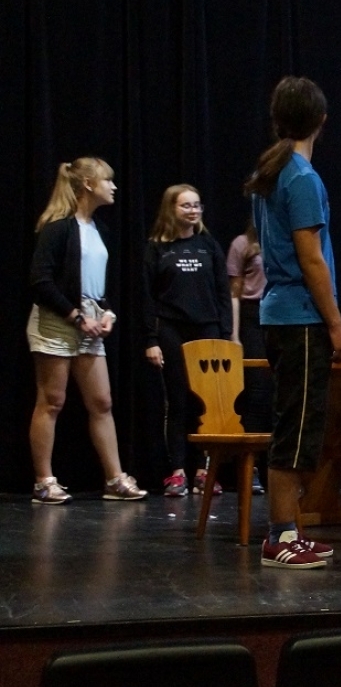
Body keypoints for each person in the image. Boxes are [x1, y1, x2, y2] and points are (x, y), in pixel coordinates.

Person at [244, 75, 341, 569]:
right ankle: (281, 536)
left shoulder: (272, 171)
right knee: (297, 428)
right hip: (301, 318)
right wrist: (336, 325)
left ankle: (288, 531)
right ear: (321, 121)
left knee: (296, 423)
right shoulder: (302, 177)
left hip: (279, 314)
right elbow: (311, 259)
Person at [27, 158, 146, 503]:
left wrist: (107, 313)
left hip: (89, 318)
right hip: (58, 318)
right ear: (89, 185)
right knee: (52, 400)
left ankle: (114, 479)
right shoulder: (58, 228)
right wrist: (76, 316)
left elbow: (97, 284)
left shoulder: (99, 230)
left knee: (102, 401)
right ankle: (44, 481)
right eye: (107, 180)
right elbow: (41, 281)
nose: (114, 186)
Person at [143, 184, 233, 497]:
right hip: (172, 330)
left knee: (206, 402)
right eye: (186, 205)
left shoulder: (209, 245)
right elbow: (147, 297)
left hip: (207, 329)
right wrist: (151, 339)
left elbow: (223, 293)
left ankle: (204, 471)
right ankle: (178, 471)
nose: (193, 210)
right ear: (171, 209)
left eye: (197, 205)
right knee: (178, 400)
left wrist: (225, 334)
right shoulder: (157, 247)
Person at [227, 219, 270, 493]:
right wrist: (234, 335)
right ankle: (250, 465)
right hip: (252, 316)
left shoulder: (283, 240)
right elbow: (235, 293)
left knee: (277, 393)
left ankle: (273, 468)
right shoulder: (242, 244)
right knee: (256, 391)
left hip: (278, 314)